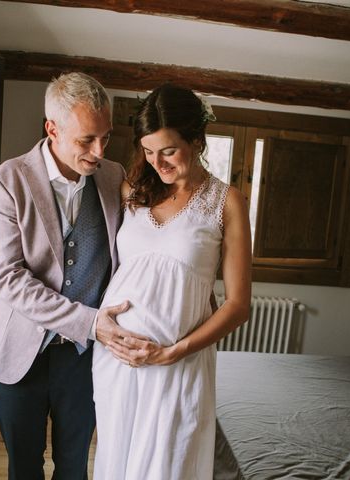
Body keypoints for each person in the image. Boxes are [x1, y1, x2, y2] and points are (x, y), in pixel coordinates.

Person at [0, 72, 148, 480]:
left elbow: (139, 245)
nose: (98, 150)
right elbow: (8, 278)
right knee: (24, 468)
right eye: (86, 139)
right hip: (19, 357)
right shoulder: (5, 182)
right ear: (52, 128)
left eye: (105, 137)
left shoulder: (112, 176)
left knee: (74, 466)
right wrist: (91, 323)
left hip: (85, 359)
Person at [92, 84, 252, 479]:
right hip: (118, 361)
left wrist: (174, 352)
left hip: (180, 364)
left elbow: (238, 305)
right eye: (148, 151)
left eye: (168, 151)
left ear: (197, 141)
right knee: (118, 464)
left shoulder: (225, 202)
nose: (157, 163)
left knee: (169, 466)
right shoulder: (131, 189)